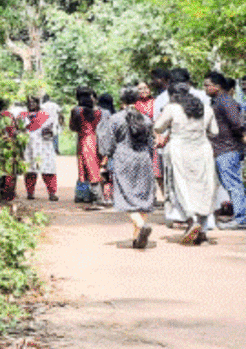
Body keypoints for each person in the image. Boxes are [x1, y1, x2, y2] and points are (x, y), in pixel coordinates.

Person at [153, 80, 220, 244]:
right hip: (203, 151)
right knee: (204, 188)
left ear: (172, 95)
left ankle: (191, 220)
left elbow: (158, 127)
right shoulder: (205, 108)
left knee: (181, 187)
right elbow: (214, 131)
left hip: (180, 151)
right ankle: (203, 229)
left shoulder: (172, 108)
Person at [102, 87, 158, 248]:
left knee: (125, 194)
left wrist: (107, 159)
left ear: (122, 102)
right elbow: (150, 144)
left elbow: (109, 145)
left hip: (123, 159)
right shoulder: (146, 119)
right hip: (144, 159)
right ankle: (136, 237)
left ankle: (140, 225)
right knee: (143, 196)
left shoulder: (115, 119)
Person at [203, 72, 246, 230]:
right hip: (222, 149)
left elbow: (238, 123)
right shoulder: (218, 101)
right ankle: (239, 216)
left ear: (218, 86)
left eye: (208, 85)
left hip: (228, 149)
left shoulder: (225, 101)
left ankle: (242, 219)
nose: (205, 88)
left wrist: (241, 140)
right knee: (229, 185)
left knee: (234, 185)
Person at [69, 86, 104, 204]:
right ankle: (96, 195)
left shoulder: (76, 111)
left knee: (83, 169)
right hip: (96, 139)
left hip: (83, 140)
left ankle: (85, 195)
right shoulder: (98, 111)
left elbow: (72, 127)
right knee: (95, 167)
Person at [23, 95, 59, 201]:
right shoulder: (23, 115)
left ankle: (52, 193)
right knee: (30, 170)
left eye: (34, 102)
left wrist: (51, 131)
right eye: (29, 102)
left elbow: (55, 128)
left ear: (38, 103)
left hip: (45, 145)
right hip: (30, 146)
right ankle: (30, 193)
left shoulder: (46, 115)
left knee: (48, 170)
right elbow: (20, 129)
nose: (31, 104)